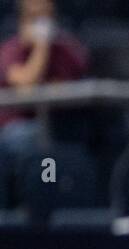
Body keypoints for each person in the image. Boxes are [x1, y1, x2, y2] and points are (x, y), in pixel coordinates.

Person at [0, 0, 87, 164]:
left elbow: (79, 73)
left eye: (46, 16)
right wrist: (41, 47)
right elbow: (26, 86)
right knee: (27, 136)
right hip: (15, 127)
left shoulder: (64, 49)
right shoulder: (10, 50)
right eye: (34, 17)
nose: (42, 23)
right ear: (22, 21)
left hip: (57, 122)